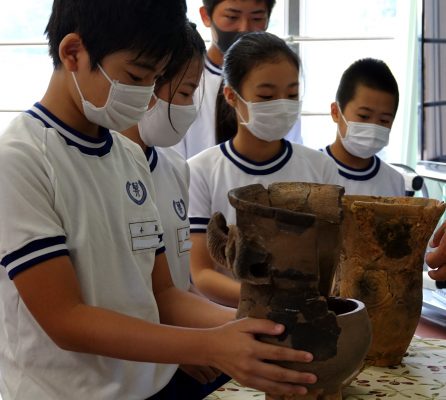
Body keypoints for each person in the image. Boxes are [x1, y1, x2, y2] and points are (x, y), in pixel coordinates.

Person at [0, 2, 318, 399]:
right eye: (134, 76)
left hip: (151, 385)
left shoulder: (130, 156)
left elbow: (164, 295)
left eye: (153, 80)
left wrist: (254, 323)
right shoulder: (21, 158)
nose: (144, 96)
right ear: (73, 52)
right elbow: (66, 320)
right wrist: (211, 345)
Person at [188, 31, 341, 308]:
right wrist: (270, 302)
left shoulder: (320, 168)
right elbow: (202, 273)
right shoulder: (200, 171)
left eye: (292, 94)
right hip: (228, 323)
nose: (281, 105)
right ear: (231, 96)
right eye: (267, 95)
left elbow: (334, 261)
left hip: (307, 318)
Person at [173, 0, 302, 159]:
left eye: (256, 19)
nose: (244, 28)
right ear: (206, 16)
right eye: (232, 17)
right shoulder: (185, 80)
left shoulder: (281, 82)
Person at [321, 58, 405, 196]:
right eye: (364, 116)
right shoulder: (311, 171)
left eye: (384, 120)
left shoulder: (395, 182)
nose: (373, 127)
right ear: (336, 112)